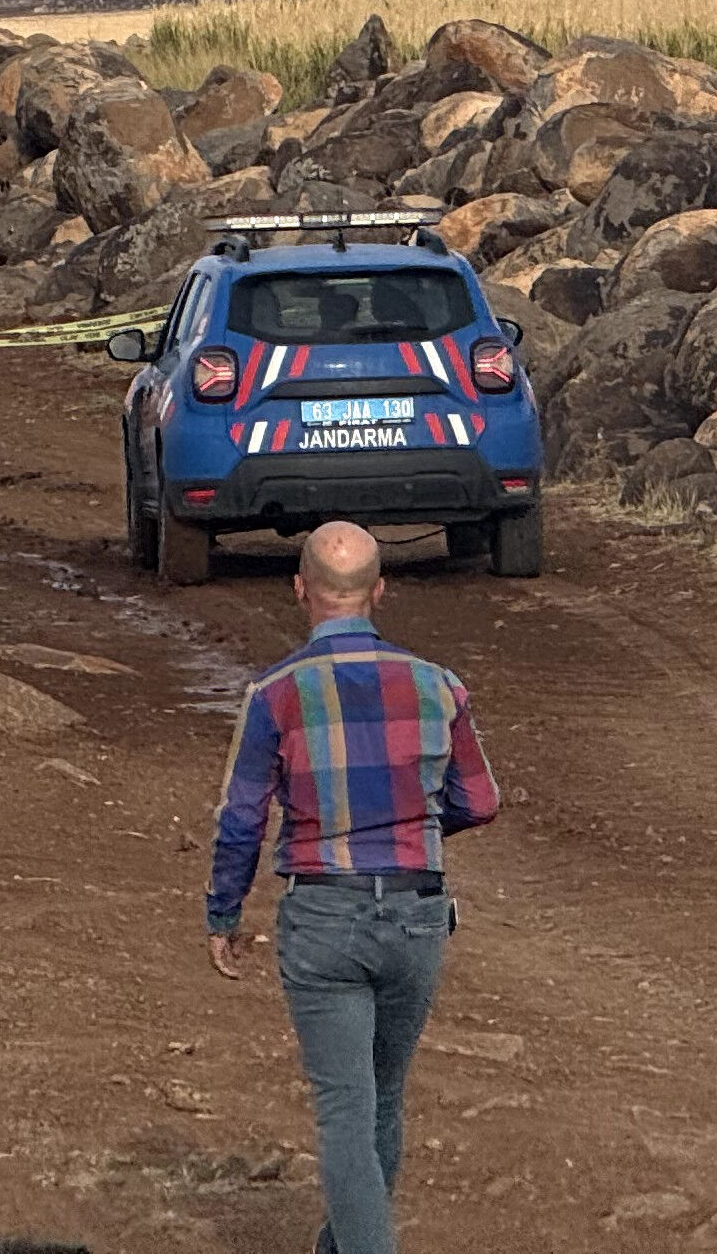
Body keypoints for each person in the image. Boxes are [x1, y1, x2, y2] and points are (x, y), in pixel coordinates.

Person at [206, 522, 500, 1254]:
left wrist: (224, 913)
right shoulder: (440, 686)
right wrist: (416, 830)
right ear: (378, 590)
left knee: (345, 1106)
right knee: (382, 1097)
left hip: (322, 913)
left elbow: (242, 818)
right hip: (415, 911)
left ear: (300, 588)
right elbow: (481, 801)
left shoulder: (275, 694)